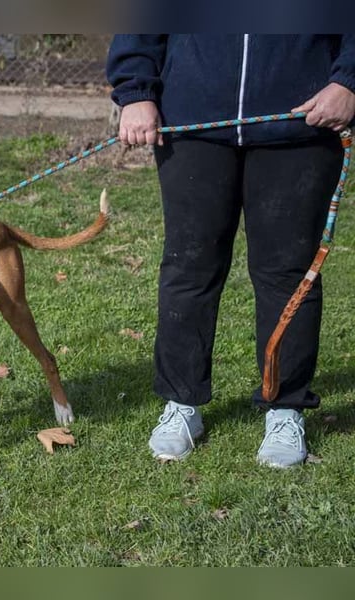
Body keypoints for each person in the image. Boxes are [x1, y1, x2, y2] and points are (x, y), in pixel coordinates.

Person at [106, 35, 355, 468]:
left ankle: (285, 407)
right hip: (194, 120)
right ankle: (181, 404)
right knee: (189, 266)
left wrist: (349, 82)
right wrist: (135, 91)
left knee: (287, 271)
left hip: (302, 122)